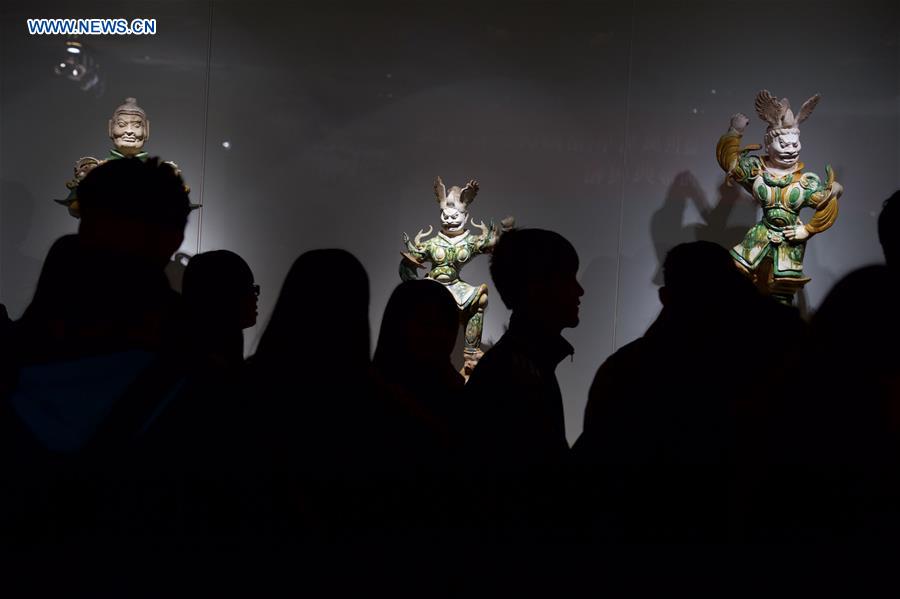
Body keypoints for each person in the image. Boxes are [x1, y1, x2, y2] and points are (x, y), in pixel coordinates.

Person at [462, 228, 583, 539]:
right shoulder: (515, 373)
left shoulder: (522, 365)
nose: (579, 290)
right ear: (537, 287)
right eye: (568, 279)